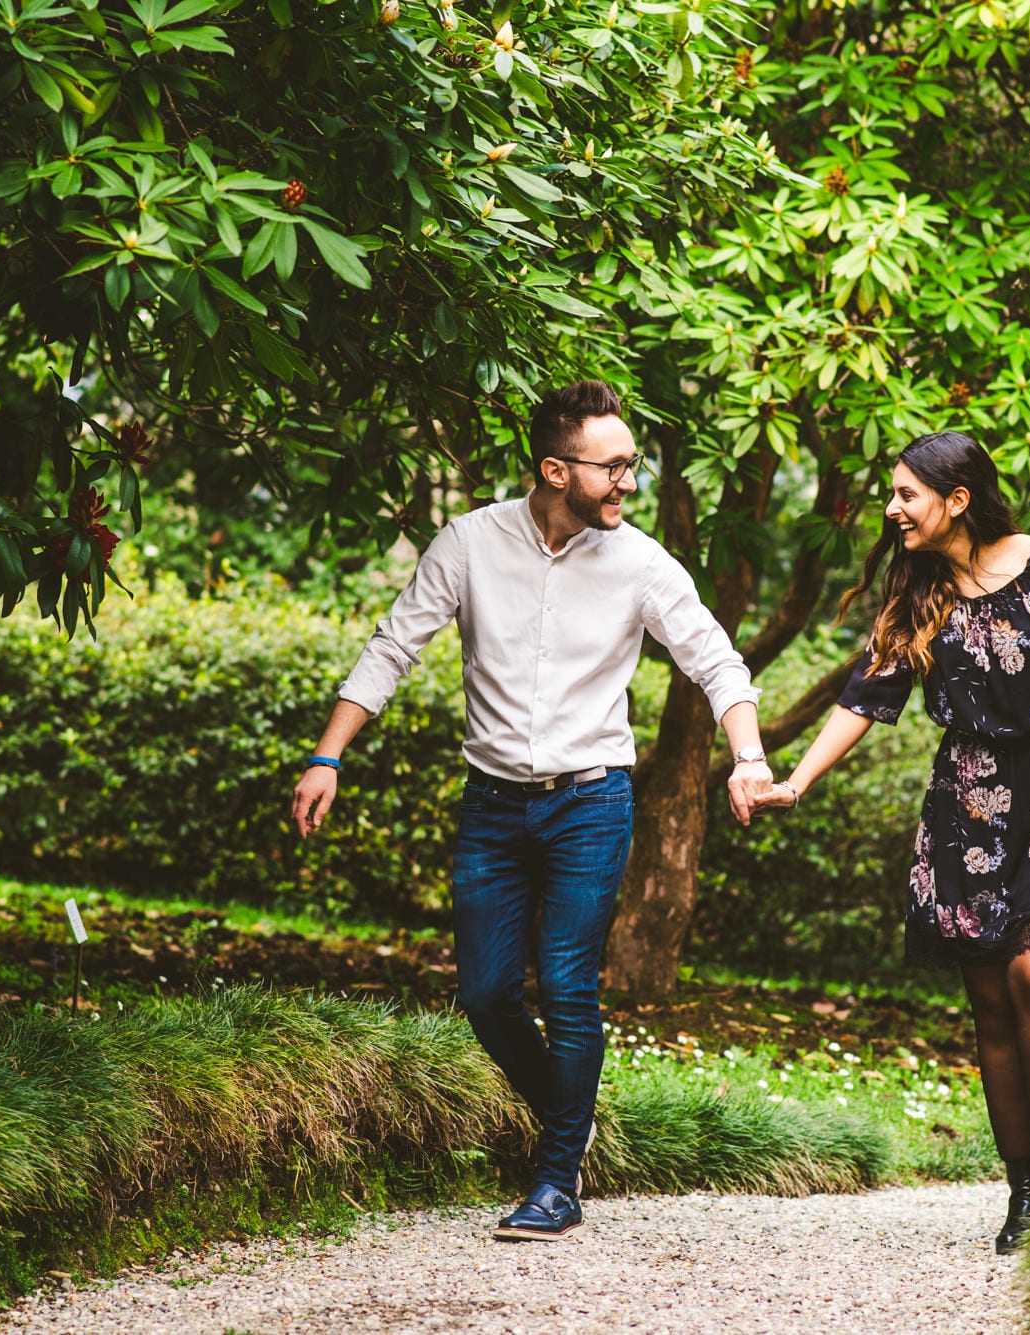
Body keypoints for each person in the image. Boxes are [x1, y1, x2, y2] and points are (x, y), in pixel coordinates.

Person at [292, 380, 774, 1241]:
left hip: (591, 802)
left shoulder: (641, 563)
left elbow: (716, 660)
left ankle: (557, 1181)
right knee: (484, 994)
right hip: (492, 806)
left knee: (566, 984)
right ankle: (571, 1117)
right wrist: (328, 754)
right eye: (613, 466)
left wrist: (748, 756)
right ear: (556, 470)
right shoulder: (469, 543)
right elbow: (393, 646)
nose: (630, 480)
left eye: (632, 463)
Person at [748, 431, 1030, 1255]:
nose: (892, 509)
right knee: (992, 1001)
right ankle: (1026, 1190)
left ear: (957, 499)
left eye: (907, 494)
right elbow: (864, 695)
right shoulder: (919, 590)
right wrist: (797, 780)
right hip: (969, 809)